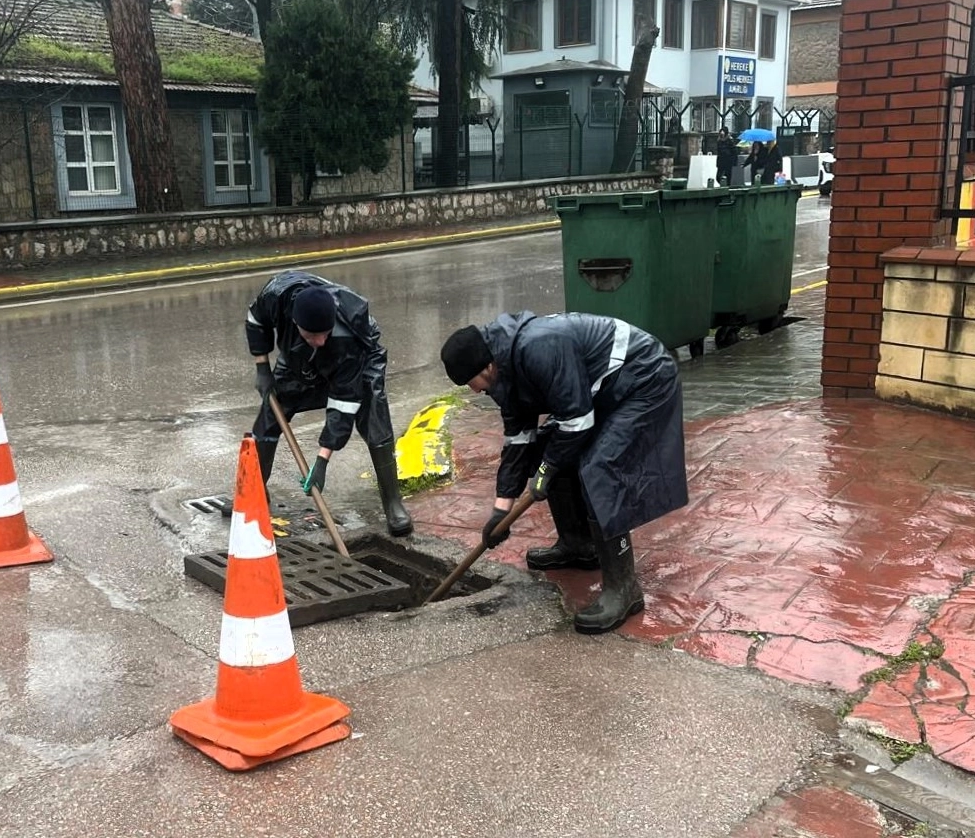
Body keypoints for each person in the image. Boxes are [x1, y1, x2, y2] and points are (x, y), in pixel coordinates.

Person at [440, 312, 688, 634]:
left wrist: (546, 469)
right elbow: (519, 439)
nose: (473, 392)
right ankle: (578, 546)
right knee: (547, 449)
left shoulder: (538, 347)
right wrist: (499, 512)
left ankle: (624, 588)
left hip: (643, 378)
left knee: (600, 467)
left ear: (485, 368)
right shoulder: (504, 369)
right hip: (599, 391)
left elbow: (577, 421)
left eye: (469, 383)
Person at [246, 270, 413, 537]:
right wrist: (262, 367)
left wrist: (322, 460)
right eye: (313, 335)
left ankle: (393, 503)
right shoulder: (276, 296)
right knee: (269, 416)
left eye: (324, 333)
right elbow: (256, 320)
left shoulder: (345, 336)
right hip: (297, 358)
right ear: (294, 322)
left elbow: (343, 401)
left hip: (360, 359)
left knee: (374, 419)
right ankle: (253, 494)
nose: (320, 340)